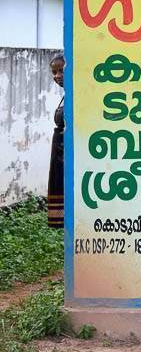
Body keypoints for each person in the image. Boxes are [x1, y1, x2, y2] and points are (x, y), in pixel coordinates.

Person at [47, 53, 65, 229]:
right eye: (54, 72)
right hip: (60, 154)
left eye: (61, 71)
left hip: (66, 155)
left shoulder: (79, 95)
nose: (57, 76)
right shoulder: (67, 95)